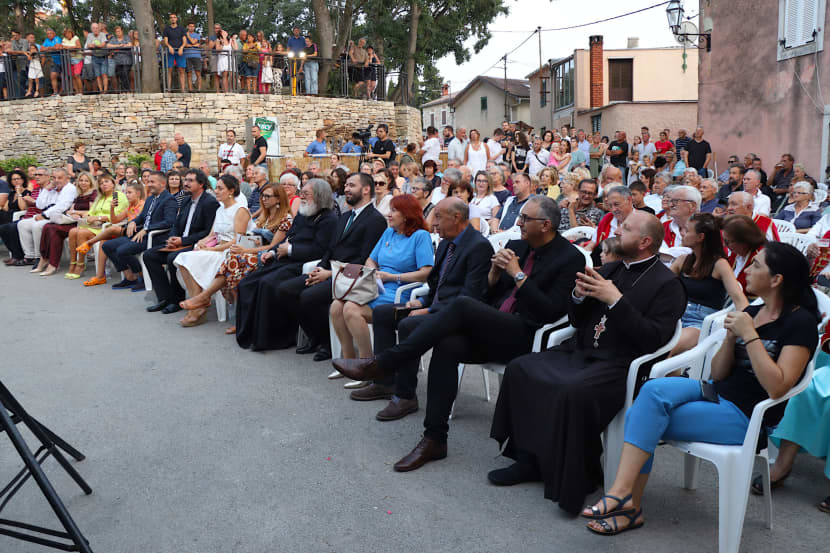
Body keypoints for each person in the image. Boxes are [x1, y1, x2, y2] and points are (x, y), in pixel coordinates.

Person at [333, 195, 586, 472]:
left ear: (546, 225)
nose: (518, 223)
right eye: (520, 217)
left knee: (462, 305)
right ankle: (434, 439)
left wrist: (517, 275)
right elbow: (488, 293)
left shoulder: (569, 258)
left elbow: (549, 310)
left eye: (525, 219)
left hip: (524, 333)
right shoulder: (517, 246)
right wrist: (494, 271)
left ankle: (384, 363)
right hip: (492, 323)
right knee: (446, 345)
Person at [586, 241, 817, 535]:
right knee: (652, 391)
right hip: (717, 392)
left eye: (756, 265)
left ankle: (626, 503)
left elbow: (777, 388)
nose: (747, 269)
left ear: (776, 280)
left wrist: (750, 336)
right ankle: (623, 497)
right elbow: (718, 374)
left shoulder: (800, 323)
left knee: (639, 417)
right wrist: (731, 338)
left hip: (748, 416)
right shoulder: (753, 310)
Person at [488, 211, 686, 515]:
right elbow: (578, 320)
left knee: (573, 390)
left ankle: (578, 479)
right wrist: (578, 296)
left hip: (621, 363)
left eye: (626, 229)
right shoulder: (610, 269)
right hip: (581, 351)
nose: (617, 231)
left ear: (645, 242)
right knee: (521, 369)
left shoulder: (668, 285)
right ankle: (528, 459)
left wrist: (616, 301)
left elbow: (652, 340)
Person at [359, 197, 493, 418]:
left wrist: (429, 310)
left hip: (455, 316)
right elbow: (436, 285)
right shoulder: (446, 243)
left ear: (456, 217)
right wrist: (421, 302)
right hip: (435, 306)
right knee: (383, 313)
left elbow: (469, 297)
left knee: (409, 324)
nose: (433, 223)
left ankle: (405, 396)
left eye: (438, 217)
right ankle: (384, 382)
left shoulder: (478, 247)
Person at [235, 178, 339, 351]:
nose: (302, 197)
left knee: (267, 284)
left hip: (302, 263)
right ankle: (250, 332)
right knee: (247, 282)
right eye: (301, 193)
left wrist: (290, 250)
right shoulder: (303, 214)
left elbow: (320, 250)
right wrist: (272, 252)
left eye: (306, 194)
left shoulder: (329, 220)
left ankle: (272, 338)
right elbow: (288, 237)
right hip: (285, 259)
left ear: (319, 196)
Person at [330, 194, 433, 361]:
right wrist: (374, 273)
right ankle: (349, 361)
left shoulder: (420, 236)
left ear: (407, 215)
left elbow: (426, 273)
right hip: (377, 285)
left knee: (350, 309)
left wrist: (392, 277)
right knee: (336, 306)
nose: (388, 214)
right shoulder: (389, 232)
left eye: (394, 211)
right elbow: (370, 259)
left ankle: (367, 363)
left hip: (400, 291)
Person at [173, 175, 254, 326]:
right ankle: (199, 305)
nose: (216, 191)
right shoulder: (220, 209)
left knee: (190, 259)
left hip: (231, 251)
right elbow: (212, 235)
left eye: (220, 188)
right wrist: (201, 243)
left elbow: (238, 239)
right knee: (182, 259)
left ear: (231, 191)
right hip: (217, 248)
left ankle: (198, 306)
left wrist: (214, 248)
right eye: (216, 188)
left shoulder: (240, 210)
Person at [669, 213, 749, 355]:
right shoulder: (682, 260)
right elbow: (661, 286)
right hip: (674, 316)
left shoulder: (720, 264)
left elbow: (738, 298)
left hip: (699, 323)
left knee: (667, 349)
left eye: (687, 230)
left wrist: (750, 328)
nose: (682, 233)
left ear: (700, 237)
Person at [143, 169, 220, 314]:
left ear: (201, 184)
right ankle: (164, 298)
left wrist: (183, 241)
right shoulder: (186, 200)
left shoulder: (209, 202)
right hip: (180, 242)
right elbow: (176, 224)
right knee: (149, 255)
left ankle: (176, 300)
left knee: (173, 258)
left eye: (190, 181)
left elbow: (208, 232)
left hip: (197, 244)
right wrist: (172, 238)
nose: (186, 183)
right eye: (185, 180)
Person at [103, 171, 177, 292]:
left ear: (163, 184)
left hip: (155, 237)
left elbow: (169, 222)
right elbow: (142, 216)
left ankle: (144, 277)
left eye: (152, 182)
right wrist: (133, 222)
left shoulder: (169, 199)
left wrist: (147, 229)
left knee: (122, 250)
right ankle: (130, 277)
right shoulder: (150, 199)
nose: (149, 184)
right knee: (107, 246)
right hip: (140, 234)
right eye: (148, 182)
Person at [76, 181, 145, 286]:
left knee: (112, 230)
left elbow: (142, 222)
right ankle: (127, 277)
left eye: (130, 192)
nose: (127, 195)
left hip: (138, 233)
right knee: (105, 244)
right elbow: (114, 220)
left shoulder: (143, 205)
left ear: (138, 194)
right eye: (126, 192)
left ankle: (89, 243)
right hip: (127, 232)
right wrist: (112, 208)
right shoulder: (130, 207)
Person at [66, 173, 124, 279]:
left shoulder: (118, 196)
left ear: (113, 183)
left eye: (106, 182)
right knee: (72, 231)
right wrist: (86, 216)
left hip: (107, 227)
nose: (104, 184)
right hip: (94, 226)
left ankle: (80, 265)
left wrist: (98, 218)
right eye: (101, 183)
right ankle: (73, 263)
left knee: (82, 233)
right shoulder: (100, 197)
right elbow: (90, 212)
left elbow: (117, 216)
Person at [37, 171, 96, 277]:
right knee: (48, 226)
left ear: (91, 182)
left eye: (86, 181)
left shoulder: (93, 194)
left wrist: (76, 213)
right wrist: (73, 213)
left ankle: (52, 263)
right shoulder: (78, 194)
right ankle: (46, 259)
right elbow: (69, 211)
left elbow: (91, 212)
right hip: (73, 221)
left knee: (54, 229)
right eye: (81, 180)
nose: (83, 183)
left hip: (84, 224)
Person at [27, 169, 76, 273]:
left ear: (67, 178)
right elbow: (40, 205)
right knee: (22, 224)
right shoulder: (53, 189)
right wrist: (46, 189)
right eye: (54, 178)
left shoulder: (70, 189)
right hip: (50, 216)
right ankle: (31, 256)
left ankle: (41, 257)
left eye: (59, 178)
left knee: (39, 226)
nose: (56, 180)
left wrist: (44, 215)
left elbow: (62, 206)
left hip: (62, 218)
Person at [723, 214, 767, 294]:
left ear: (745, 240)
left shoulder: (760, 259)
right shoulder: (737, 253)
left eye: (728, 241)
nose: (725, 245)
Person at [590, 185, 633, 253]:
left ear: (629, 200)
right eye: (610, 205)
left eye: (616, 204)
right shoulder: (608, 218)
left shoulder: (641, 220)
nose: (613, 209)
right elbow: (591, 245)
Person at [162, 14, 187, 91]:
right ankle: (168, 89)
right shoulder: (167, 29)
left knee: (181, 70)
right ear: (170, 19)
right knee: (169, 70)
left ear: (176, 19)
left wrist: (181, 48)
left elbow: (185, 41)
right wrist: (169, 47)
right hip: (170, 51)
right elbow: (165, 41)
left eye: (174, 17)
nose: (173, 19)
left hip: (180, 51)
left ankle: (183, 90)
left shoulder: (181, 29)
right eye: (171, 18)